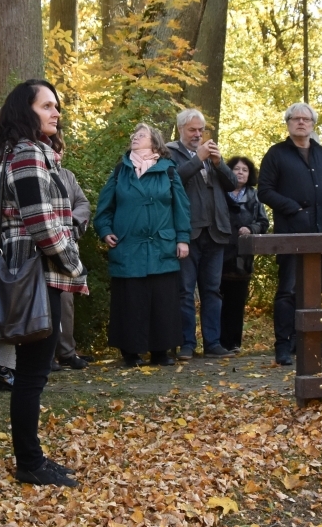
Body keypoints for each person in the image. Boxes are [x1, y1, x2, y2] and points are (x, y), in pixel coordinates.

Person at [0, 79, 87, 487]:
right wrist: (74, 265)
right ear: (25, 111)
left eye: (56, 106)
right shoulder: (28, 154)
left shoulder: (29, 153)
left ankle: (32, 457)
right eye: (47, 106)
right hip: (37, 273)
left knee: (32, 373)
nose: (56, 112)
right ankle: (29, 462)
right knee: (32, 375)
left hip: (36, 271)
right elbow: (43, 227)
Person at [257, 102, 322, 366]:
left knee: (314, 291)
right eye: (295, 118)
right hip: (291, 233)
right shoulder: (276, 154)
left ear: (312, 125)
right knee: (288, 290)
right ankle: (283, 346)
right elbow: (264, 190)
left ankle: (312, 342)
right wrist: (293, 208)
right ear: (288, 123)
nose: (300, 122)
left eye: (306, 119)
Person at [94, 124, 191, 367]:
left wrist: (183, 238)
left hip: (162, 246)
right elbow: (104, 208)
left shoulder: (169, 171)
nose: (135, 137)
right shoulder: (120, 171)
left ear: (155, 142)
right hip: (128, 246)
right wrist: (105, 231)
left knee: (163, 300)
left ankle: (161, 352)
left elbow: (182, 207)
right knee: (131, 300)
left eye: (141, 135)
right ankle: (131, 353)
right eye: (133, 135)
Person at [165, 109, 236, 358]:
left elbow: (232, 185)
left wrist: (219, 163)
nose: (197, 135)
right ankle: (187, 344)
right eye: (192, 130)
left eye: (200, 130)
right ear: (180, 129)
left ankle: (213, 343)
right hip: (187, 232)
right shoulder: (168, 153)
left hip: (216, 231)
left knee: (213, 290)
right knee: (185, 290)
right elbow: (171, 180)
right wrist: (198, 159)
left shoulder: (211, 154)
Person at [220, 156, 269, 353]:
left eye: (245, 170)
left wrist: (250, 228)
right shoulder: (220, 193)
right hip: (220, 254)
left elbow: (263, 223)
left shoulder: (254, 196)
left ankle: (233, 343)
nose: (240, 172)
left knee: (237, 301)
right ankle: (216, 343)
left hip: (242, 258)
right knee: (217, 300)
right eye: (236, 169)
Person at [54, 147, 92, 370]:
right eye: (54, 148)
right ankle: (46, 356)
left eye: (61, 148)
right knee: (44, 303)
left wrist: (71, 224)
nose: (59, 152)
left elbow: (83, 203)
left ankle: (67, 352)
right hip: (43, 243)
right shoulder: (35, 171)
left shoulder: (68, 175)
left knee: (66, 302)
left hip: (67, 244)